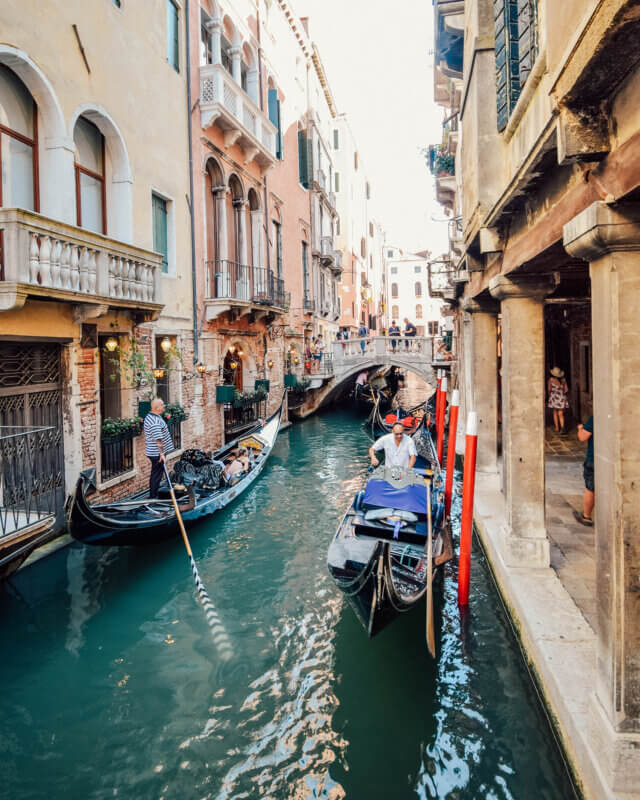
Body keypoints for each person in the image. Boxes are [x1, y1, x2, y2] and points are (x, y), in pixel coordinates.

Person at [144, 397, 174, 498]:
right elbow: (158, 439)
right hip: (156, 453)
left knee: (156, 474)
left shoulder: (153, 416)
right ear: (157, 408)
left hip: (154, 452)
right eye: (162, 404)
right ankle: (153, 496)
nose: (164, 406)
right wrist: (161, 454)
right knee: (156, 475)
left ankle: (154, 495)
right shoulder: (154, 421)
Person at [574, 416, 594, 527]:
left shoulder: (595, 418)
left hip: (593, 459)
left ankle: (586, 516)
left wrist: (580, 428)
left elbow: (582, 437)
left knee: (590, 488)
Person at [547, 367, 569, 434]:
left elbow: (549, 389)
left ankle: (557, 428)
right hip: (561, 398)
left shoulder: (550, 380)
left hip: (554, 398)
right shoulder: (563, 380)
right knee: (560, 413)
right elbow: (566, 390)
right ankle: (562, 427)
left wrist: (551, 395)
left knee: (555, 412)